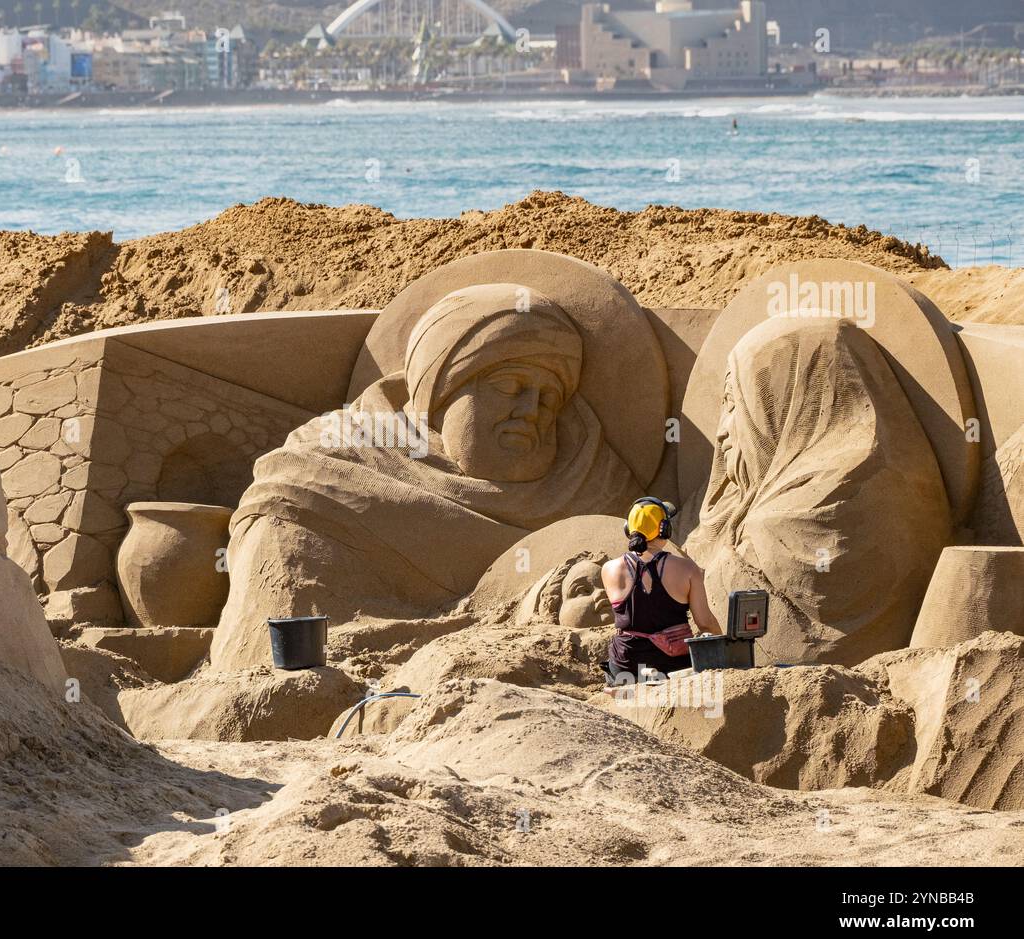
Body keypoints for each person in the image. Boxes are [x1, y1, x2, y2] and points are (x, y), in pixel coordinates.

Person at [211, 282, 643, 671]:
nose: (531, 411)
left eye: (549, 398)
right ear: (441, 392)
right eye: (510, 387)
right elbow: (274, 652)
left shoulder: (593, 482)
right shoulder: (319, 472)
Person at [684, 314, 951, 665]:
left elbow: (710, 619)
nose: (722, 431)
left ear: (788, 395)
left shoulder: (786, 522)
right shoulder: (914, 483)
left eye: (734, 402)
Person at [602, 497, 723, 680]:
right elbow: (705, 623)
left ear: (629, 530)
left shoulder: (609, 569)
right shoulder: (688, 569)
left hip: (626, 666)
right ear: (664, 529)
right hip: (673, 665)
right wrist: (723, 647)